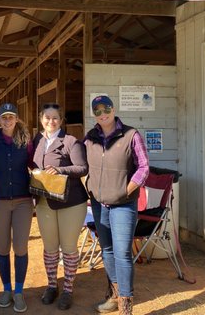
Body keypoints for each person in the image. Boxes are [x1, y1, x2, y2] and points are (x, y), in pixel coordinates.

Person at [84, 95, 149, 315]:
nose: (103, 114)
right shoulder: (90, 137)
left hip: (123, 204)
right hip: (99, 204)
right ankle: (114, 295)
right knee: (108, 250)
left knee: (122, 253)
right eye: (98, 111)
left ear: (113, 109)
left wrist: (127, 189)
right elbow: (83, 165)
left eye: (106, 109)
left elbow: (143, 167)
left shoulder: (131, 135)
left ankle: (126, 304)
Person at [32, 103, 89, 310]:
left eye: (55, 117)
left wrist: (60, 169)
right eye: (47, 117)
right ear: (41, 119)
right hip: (45, 201)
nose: (51, 121)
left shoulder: (71, 142)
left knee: (69, 247)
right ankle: (51, 285)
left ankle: (68, 289)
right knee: (49, 247)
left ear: (61, 120)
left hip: (70, 202)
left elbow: (82, 168)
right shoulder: (37, 140)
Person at [0, 103, 34, 313]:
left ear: (16, 119)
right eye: (4, 117)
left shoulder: (25, 140)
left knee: (21, 247)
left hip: (23, 200)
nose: (7, 120)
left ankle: (19, 291)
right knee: (3, 247)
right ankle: (6, 288)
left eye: (11, 117)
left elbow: (35, 164)